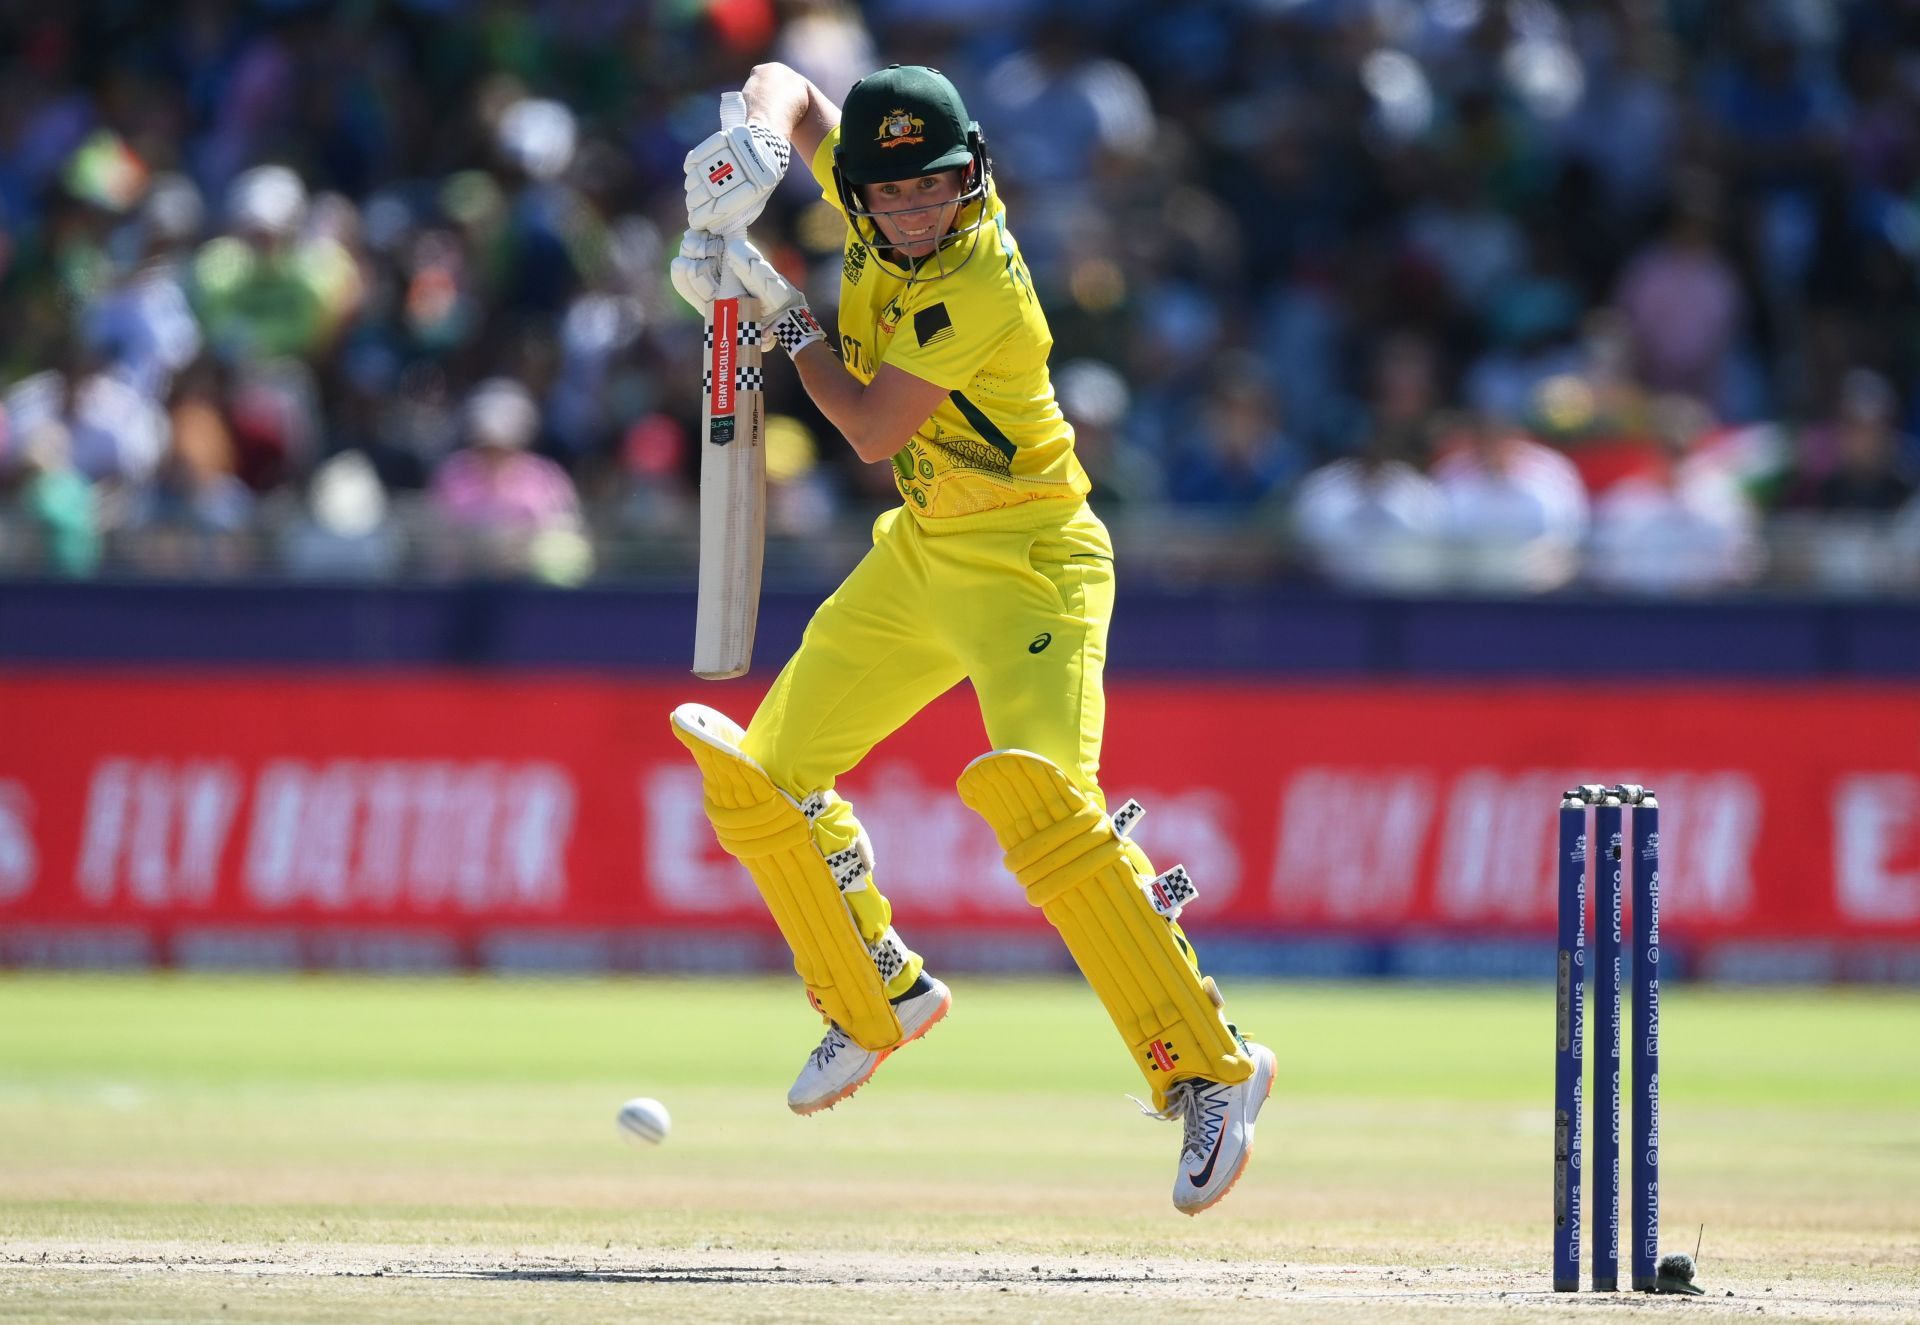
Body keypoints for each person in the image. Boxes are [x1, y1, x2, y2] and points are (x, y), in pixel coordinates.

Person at [667, 62, 1275, 1215]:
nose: (911, 212)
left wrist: (768, 300)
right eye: (890, 194)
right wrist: (754, 141)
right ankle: (873, 992)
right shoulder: (872, 192)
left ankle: (1213, 1069)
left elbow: (863, 424)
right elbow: (789, 83)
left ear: (973, 176)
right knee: (761, 780)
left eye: (936, 189)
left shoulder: (980, 274)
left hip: (1032, 560)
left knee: (1048, 812)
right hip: (924, 550)